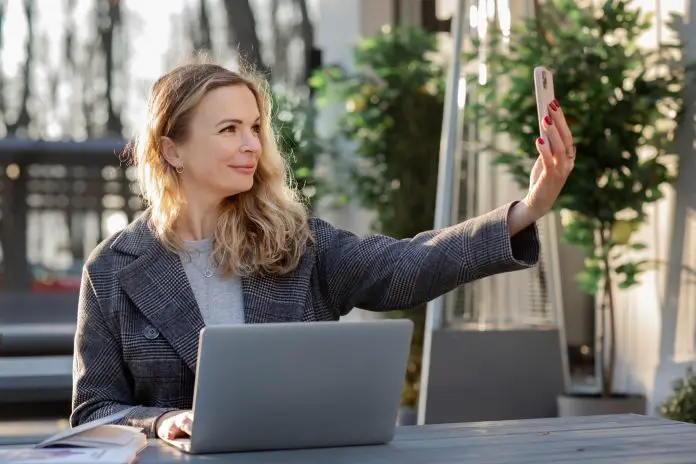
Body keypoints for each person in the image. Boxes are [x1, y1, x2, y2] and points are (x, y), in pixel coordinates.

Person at [70, 60, 576, 440]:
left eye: (253, 127)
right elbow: (94, 412)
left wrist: (526, 210)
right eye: (229, 130)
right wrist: (161, 422)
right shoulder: (114, 269)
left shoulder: (296, 241)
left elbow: (408, 264)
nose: (250, 144)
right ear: (170, 149)